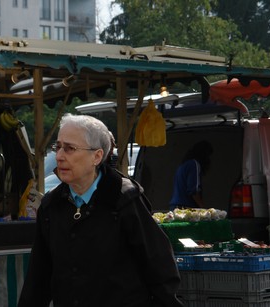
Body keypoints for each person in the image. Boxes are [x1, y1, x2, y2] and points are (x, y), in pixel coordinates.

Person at [18, 113, 183, 307]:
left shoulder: (124, 199)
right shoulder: (51, 206)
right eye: (58, 147)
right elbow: (38, 277)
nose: (60, 156)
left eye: (70, 148)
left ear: (96, 156)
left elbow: (160, 267)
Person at [169, 140, 213, 210]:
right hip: (186, 208)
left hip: (174, 206)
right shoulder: (194, 164)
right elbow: (193, 190)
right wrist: (203, 208)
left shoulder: (183, 165)